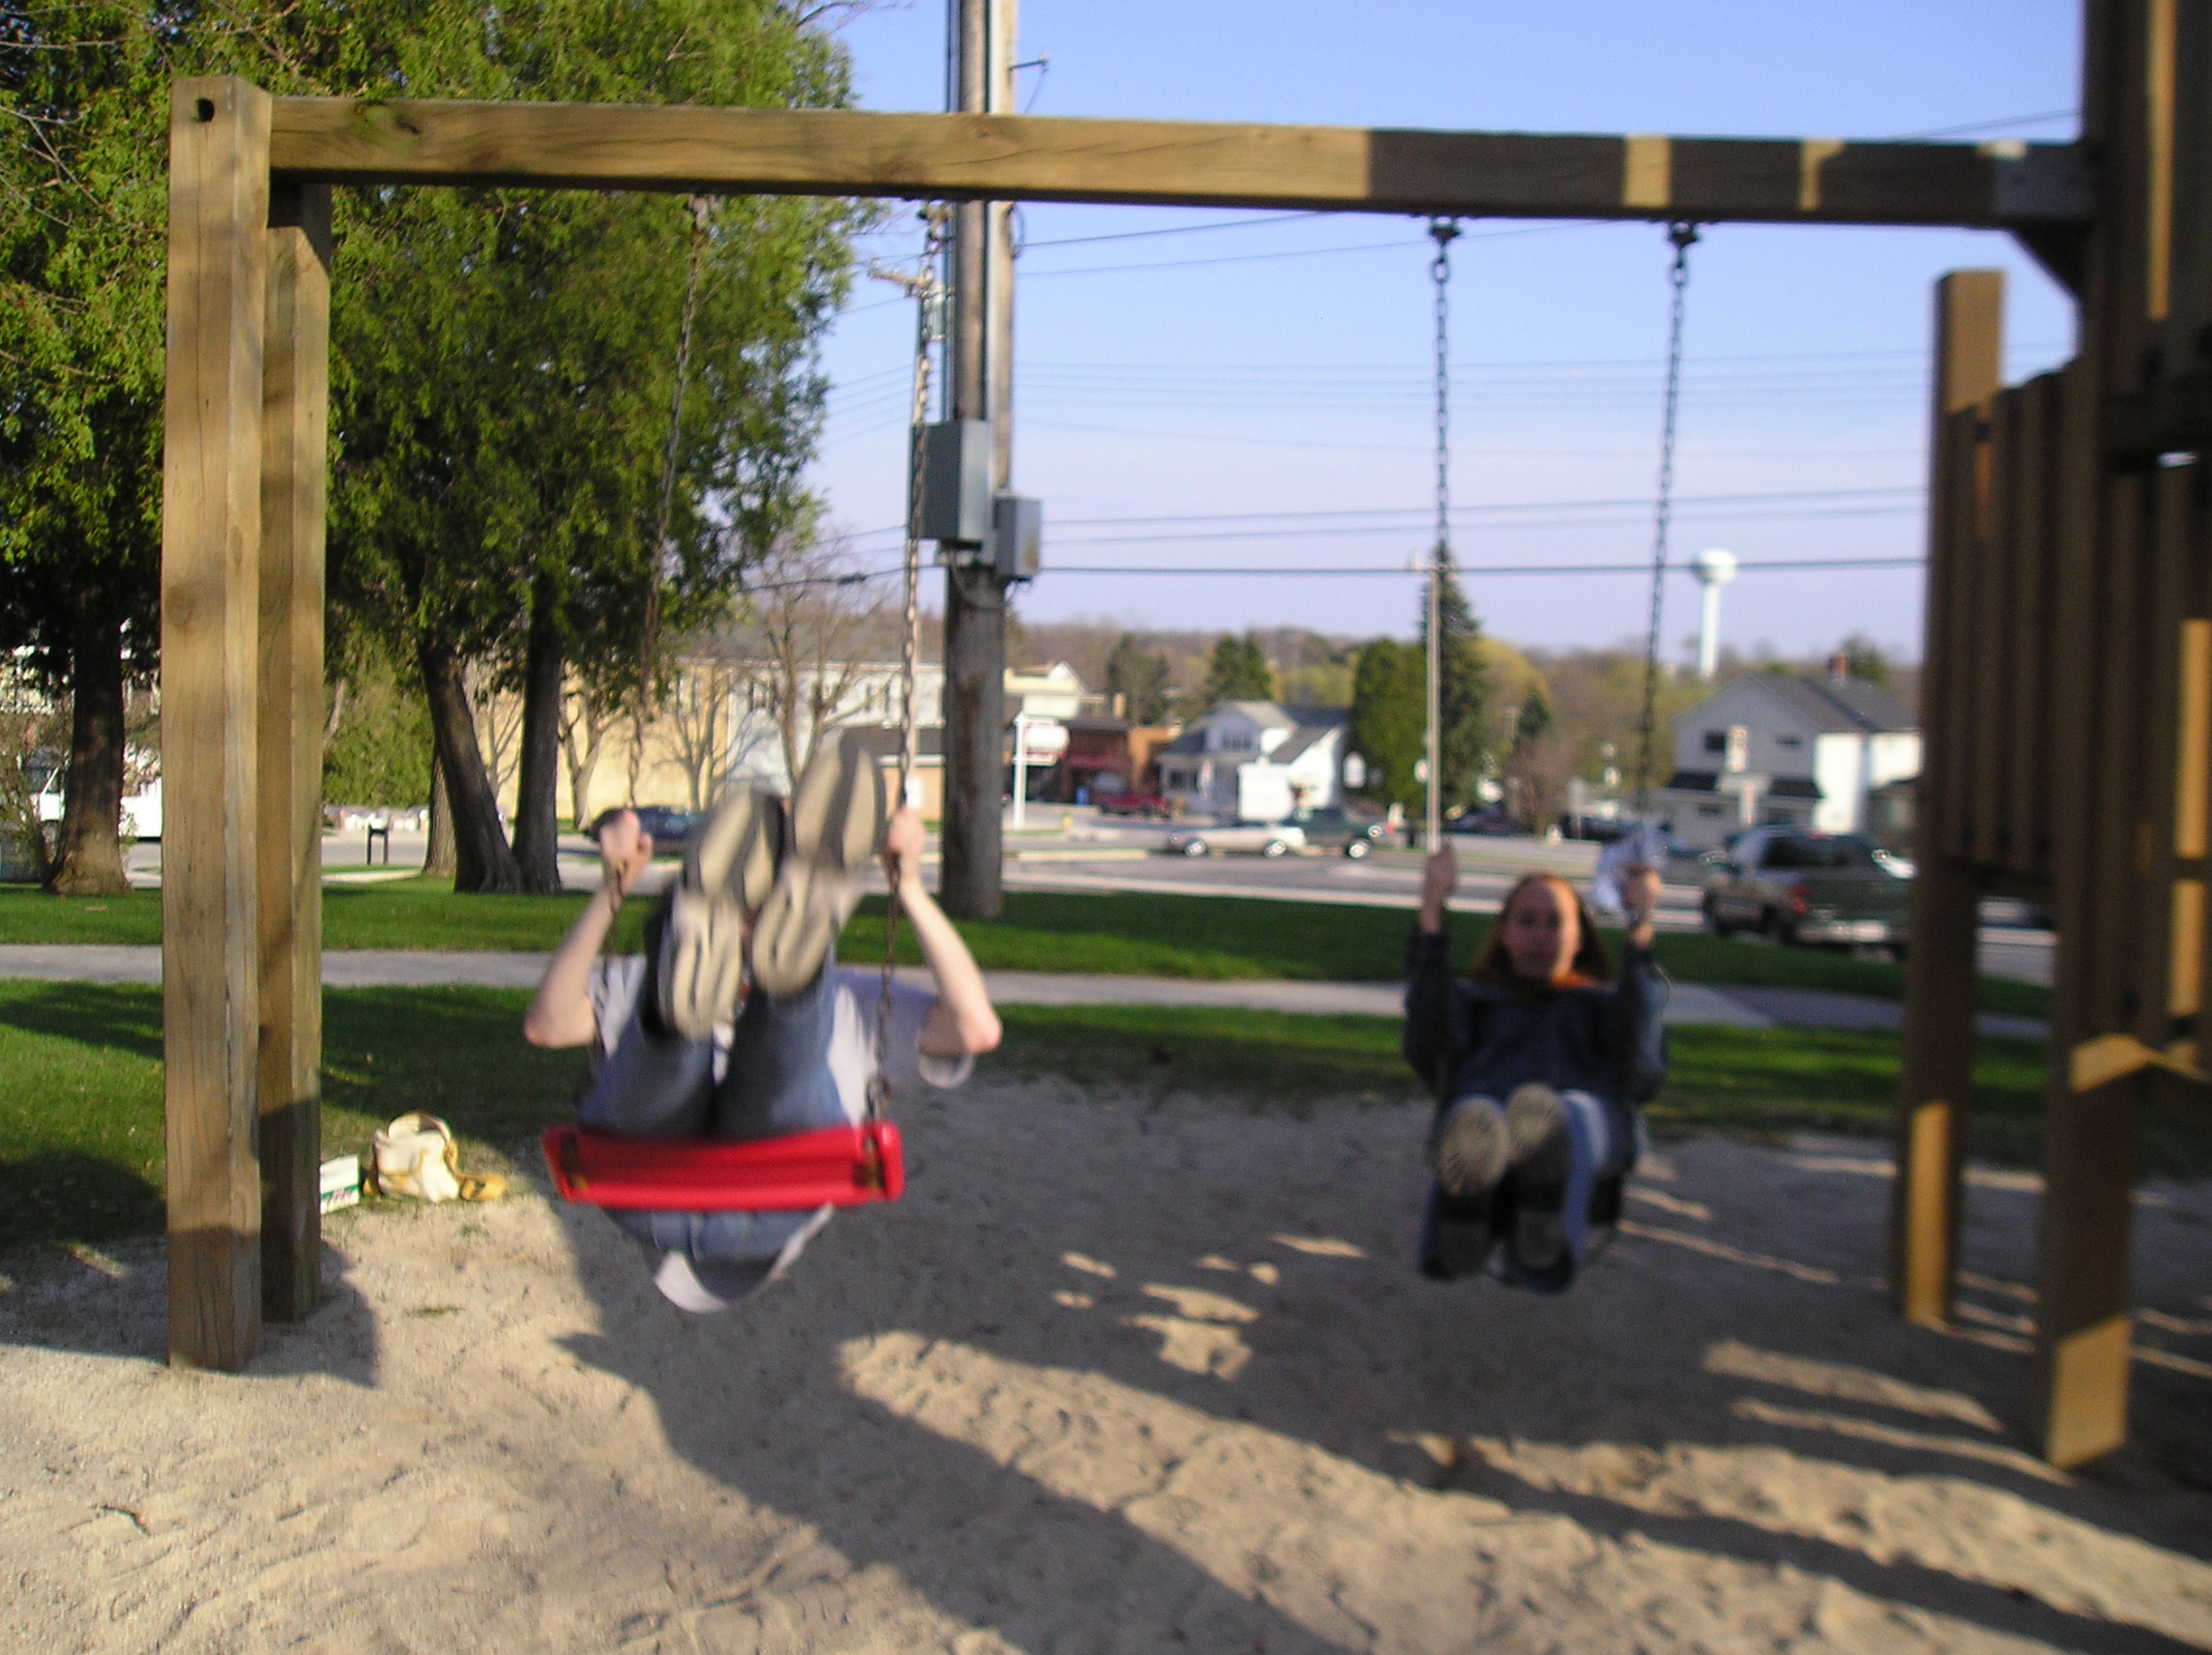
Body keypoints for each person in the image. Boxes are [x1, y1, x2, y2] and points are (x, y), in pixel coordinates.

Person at [525, 737, 1001, 1312]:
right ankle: (787, 987)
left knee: (664, 1060)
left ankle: (725, 1008)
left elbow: (974, 1027)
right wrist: (612, 888)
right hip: (774, 1205)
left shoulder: (846, 1000)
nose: (752, 914)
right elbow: (548, 1024)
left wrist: (910, 889)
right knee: (786, 1078)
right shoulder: (850, 1004)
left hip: (643, 1194)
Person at [1404, 847, 1666, 1292]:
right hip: (1495, 1120)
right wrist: (1432, 910)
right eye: (1526, 920)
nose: (1541, 934)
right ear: (1504, 934)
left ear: (1579, 937)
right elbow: (1427, 1047)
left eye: (1555, 922)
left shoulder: (1602, 1006)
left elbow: (1642, 1074)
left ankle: (1543, 1229)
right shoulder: (1477, 1003)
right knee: (1477, 1112)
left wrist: (1641, 928)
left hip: (1584, 1119)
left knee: (1563, 1112)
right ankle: (1466, 1224)